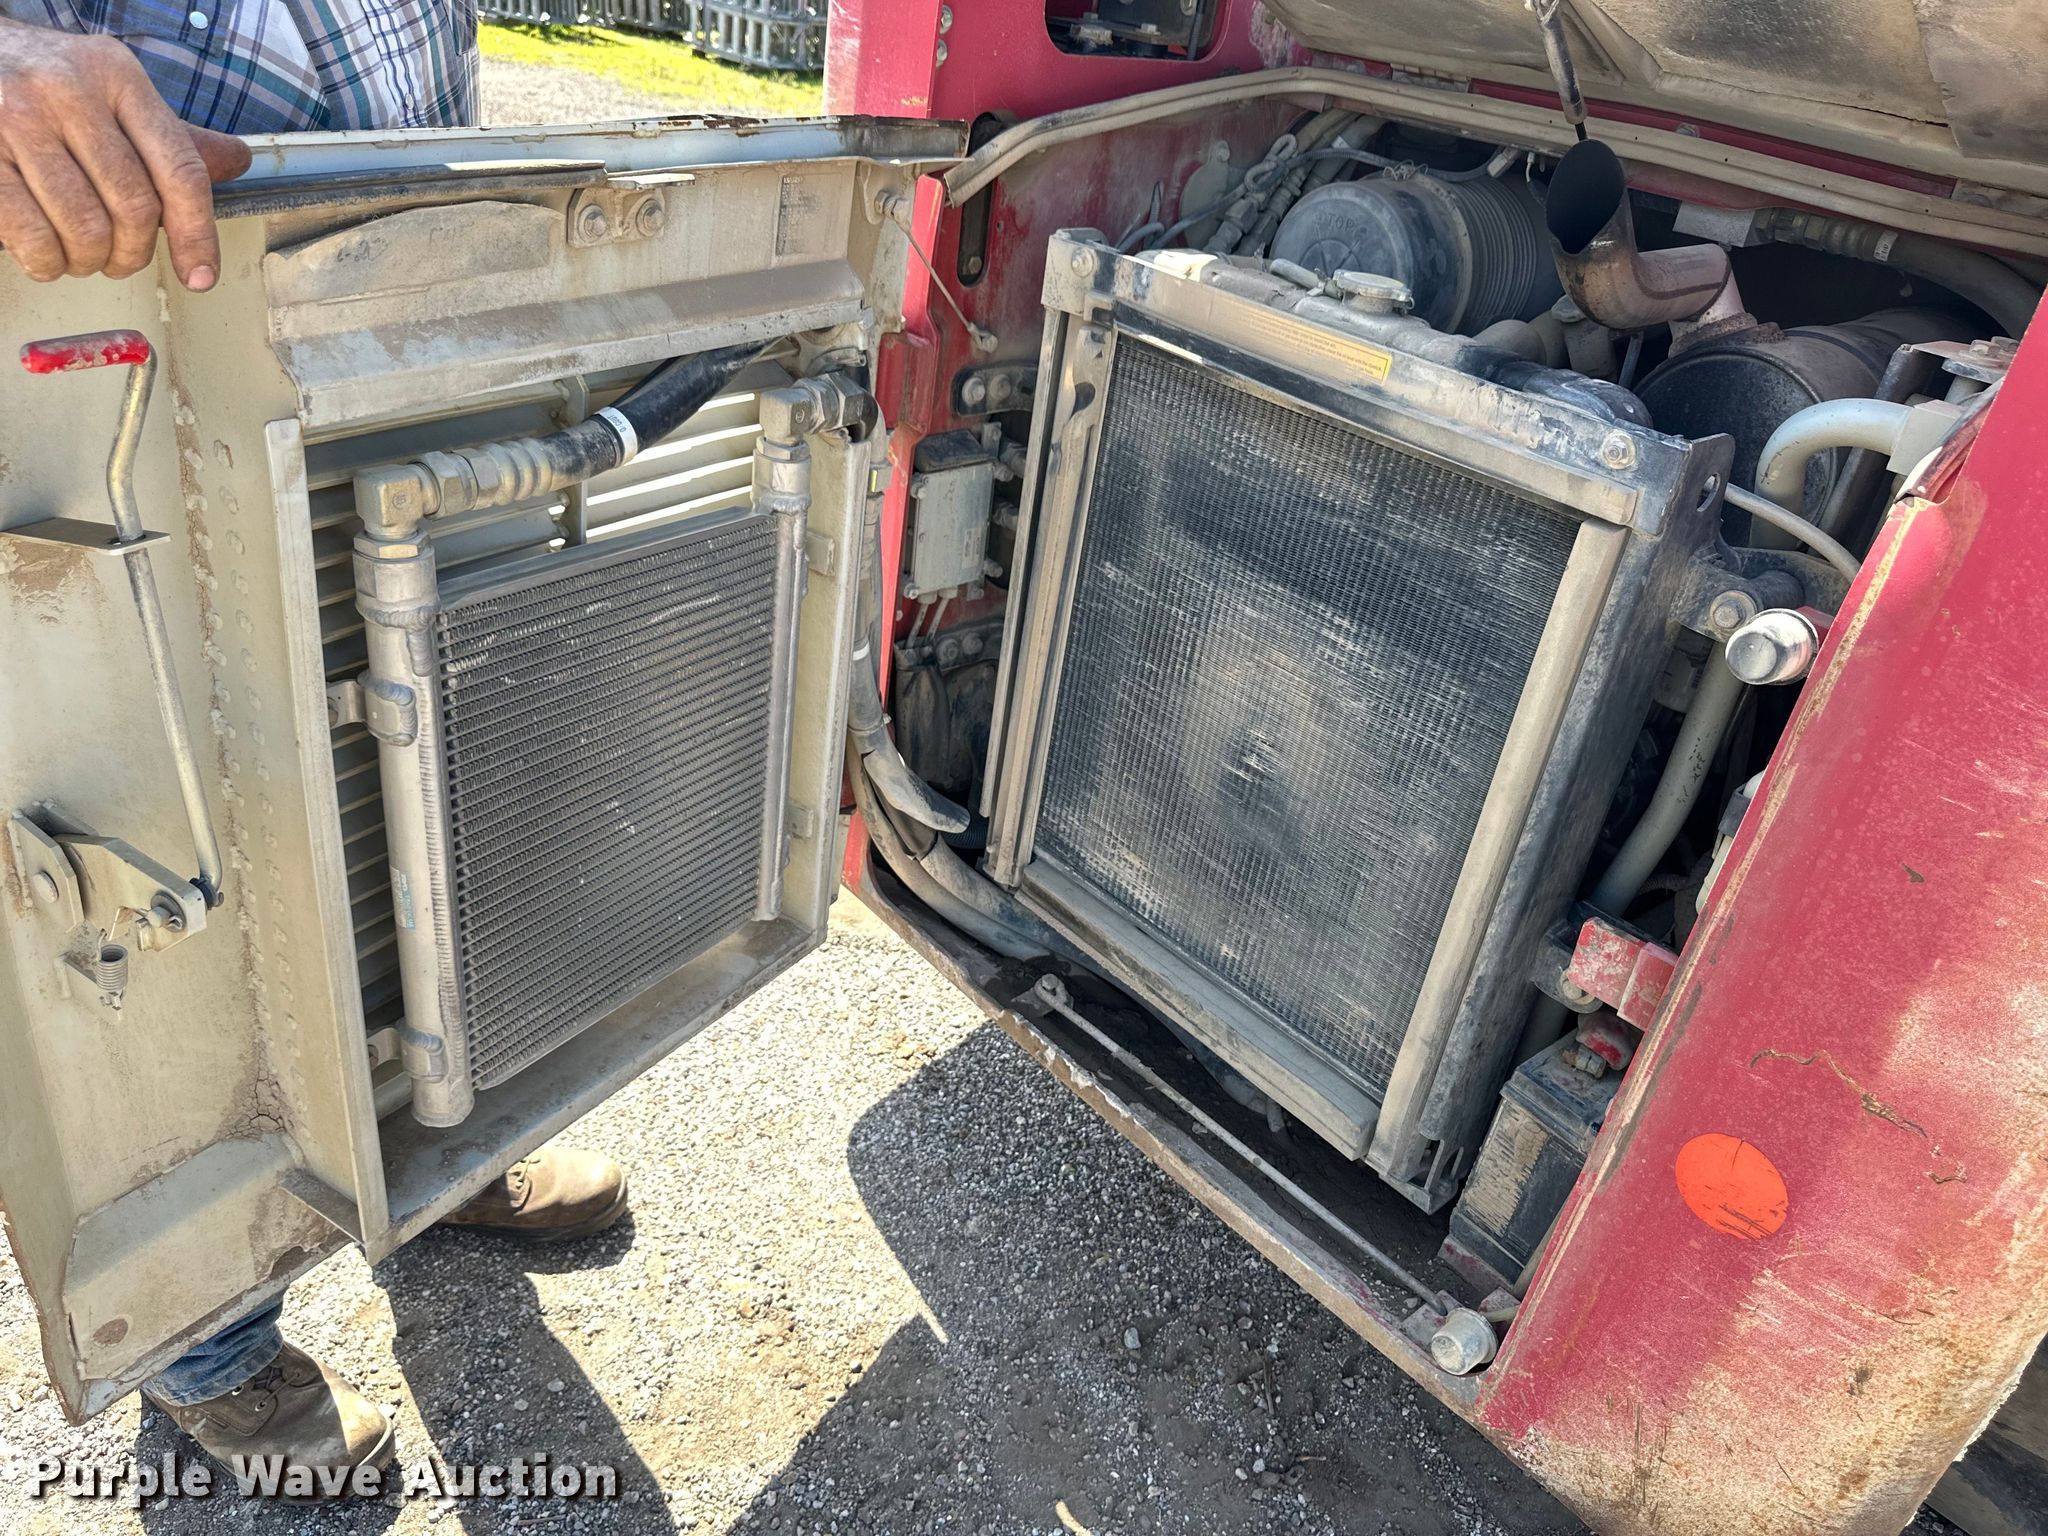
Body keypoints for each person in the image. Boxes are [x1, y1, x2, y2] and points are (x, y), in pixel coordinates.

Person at [0, 0, 632, 1484]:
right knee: (174, 915)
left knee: (429, 801)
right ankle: (205, 1339)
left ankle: (445, 1146)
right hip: (128, 388)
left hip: (391, 350)